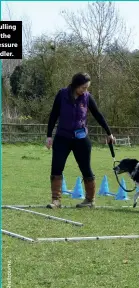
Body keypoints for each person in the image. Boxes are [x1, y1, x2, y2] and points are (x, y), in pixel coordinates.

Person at [46, 72, 116, 209]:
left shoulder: (87, 97)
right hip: (62, 138)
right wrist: (49, 135)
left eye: (87, 88)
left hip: (81, 139)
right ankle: (56, 200)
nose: (85, 90)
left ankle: (90, 200)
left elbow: (98, 115)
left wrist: (109, 133)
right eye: (83, 87)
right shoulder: (62, 94)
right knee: (56, 167)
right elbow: (53, 114)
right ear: (76, 85)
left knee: (86, 168)